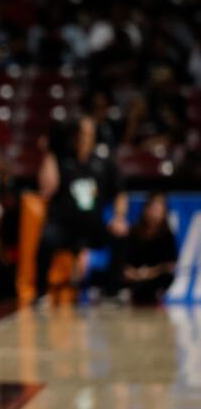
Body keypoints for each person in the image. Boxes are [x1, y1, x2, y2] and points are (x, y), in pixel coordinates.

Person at [37, 115, 127, 303]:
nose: (84, 137)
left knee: (120, 235)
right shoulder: (61, 158)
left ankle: (112, 291)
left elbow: (119, 192)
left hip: (92, 228)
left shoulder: (103, 162)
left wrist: (119, 217)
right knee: (46, 240)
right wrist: (50, 153)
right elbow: (47, 189)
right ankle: (41, 293)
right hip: (64, 227)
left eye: (88, 133)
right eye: (80, 133)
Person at [117, 191, 177, 304]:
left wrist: (147, 273)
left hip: (155, 277)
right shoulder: (134, 232)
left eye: (159, 210)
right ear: (146, 209)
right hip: (133, 277)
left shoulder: (167, 235)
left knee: (166, 276)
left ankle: (154, 295)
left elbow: (170, 264)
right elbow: (124, 259)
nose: (155, 214)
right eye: (153, 209)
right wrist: (133, 273)